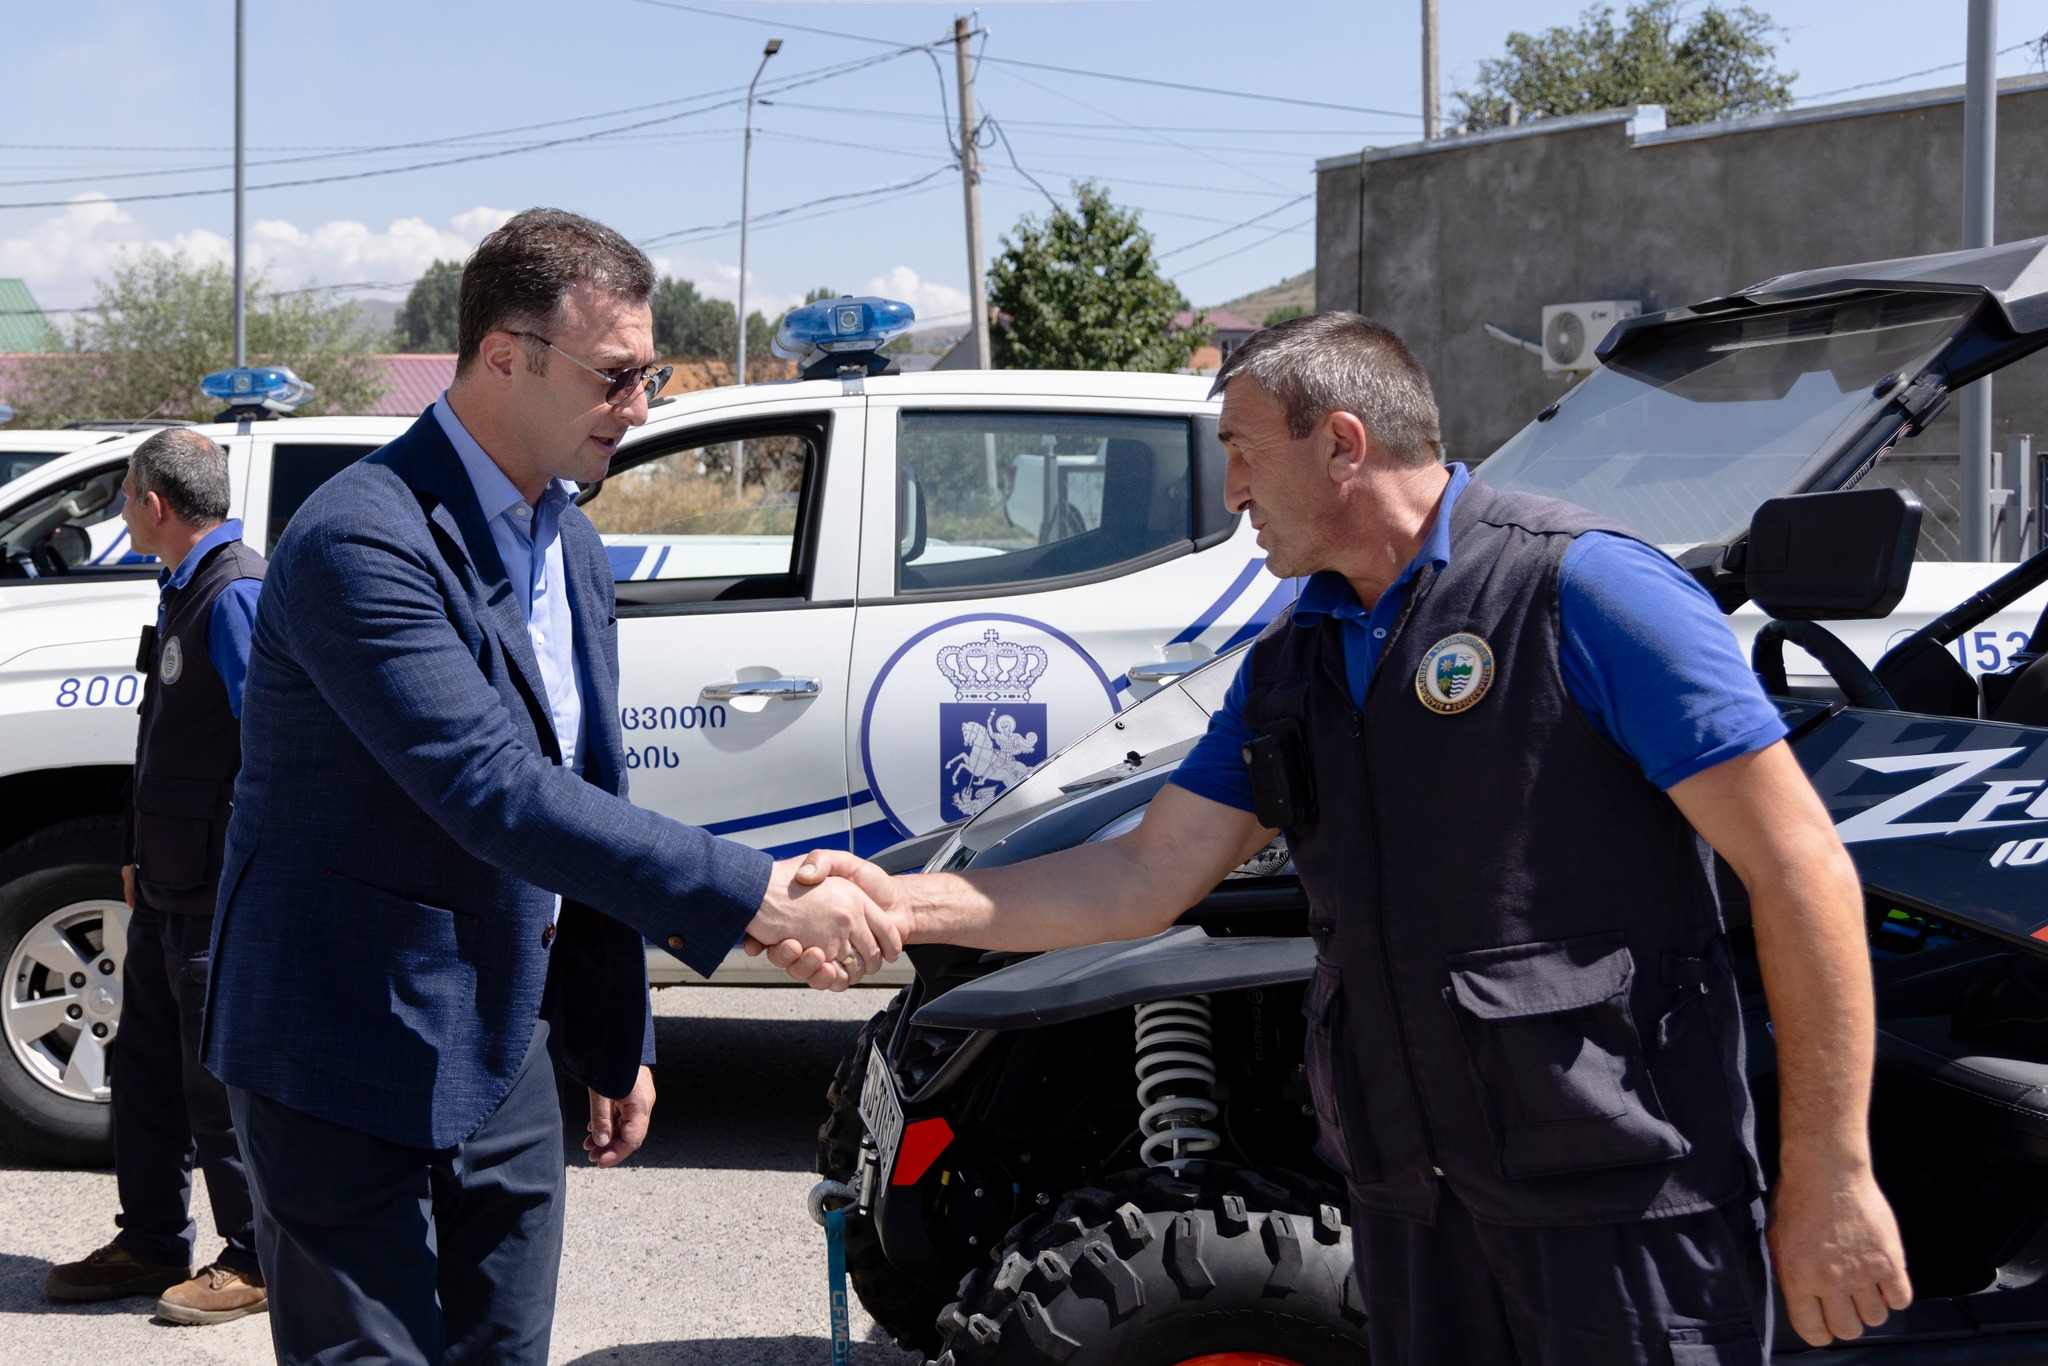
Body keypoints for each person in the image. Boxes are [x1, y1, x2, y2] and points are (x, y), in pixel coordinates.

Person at [796, 313, 1914, 1363]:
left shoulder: (1583, 589)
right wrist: (900, 905)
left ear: (1340, 443)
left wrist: (1832, 1172)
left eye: (1242, 451)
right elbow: (1142, 874)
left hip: (1617, 1203)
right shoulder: (1298, 655)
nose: (1231, 492)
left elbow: (1799, 867)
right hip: (1412, 1211)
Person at [200, 208, 896, 1366]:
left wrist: (617, 1030)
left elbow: (587, 784)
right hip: (336, 1040)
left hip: (502, 1041)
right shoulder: (359, 540)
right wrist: (760, 897)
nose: (641, 406)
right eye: (615, 376)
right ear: (504, 356)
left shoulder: (566, 540)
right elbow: (490, 786)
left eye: (648, 374)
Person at [43, 430, 269, 1325]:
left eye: (126, 494)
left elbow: (271, 747)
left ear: (156, 503)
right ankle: (150, 1241)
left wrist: (246, 879)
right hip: (169, 884)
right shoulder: (184, 585)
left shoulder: (234, 591)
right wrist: (139, 852)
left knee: (216, 1085)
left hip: (217, 891)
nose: (122, 511)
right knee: (144, 1073)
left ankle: (254, 1257)